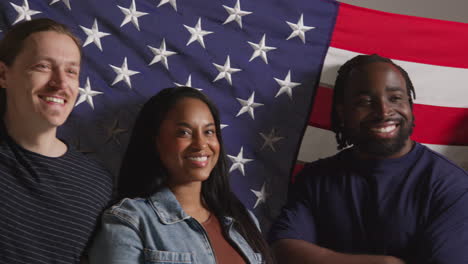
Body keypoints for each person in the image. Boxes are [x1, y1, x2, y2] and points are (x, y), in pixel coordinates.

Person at [269, 54, 468, 264]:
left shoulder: (452, 186)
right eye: (365, 102)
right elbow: (282, 249)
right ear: (343, 112)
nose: (383, 111)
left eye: (395, 98)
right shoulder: (316, 178)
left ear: (410, 105)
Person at [89, 86, 273, 264]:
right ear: (155, 141)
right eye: (184, 133)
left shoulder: (243, 220)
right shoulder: (130, 221)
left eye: (209, 132)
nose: (201, 144)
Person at [0, 18, 113, 263]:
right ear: (3, 74)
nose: (60, 83)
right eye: (42, 66)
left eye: (71, 71)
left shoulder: (97, 186)